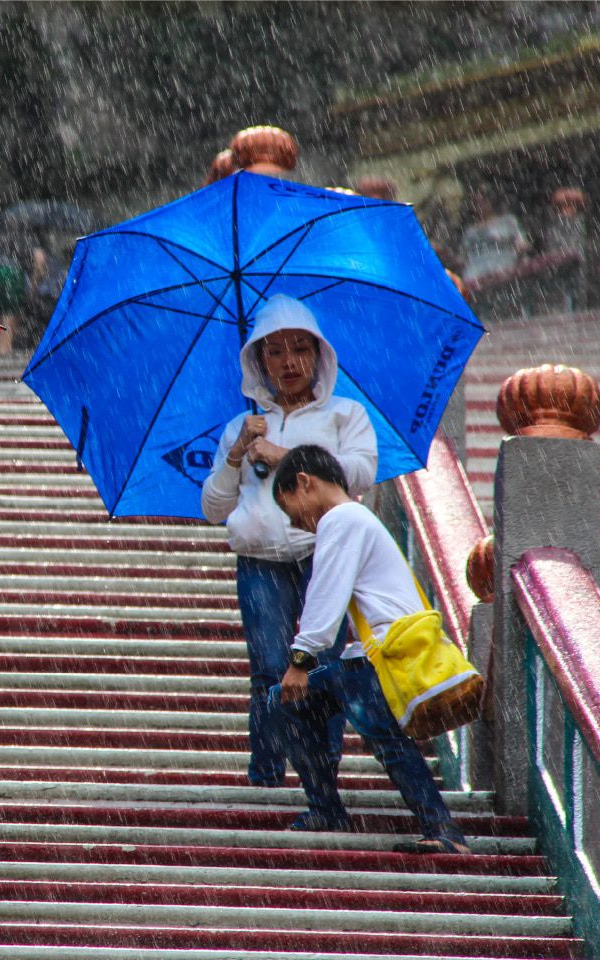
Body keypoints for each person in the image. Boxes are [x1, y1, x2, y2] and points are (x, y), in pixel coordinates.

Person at [201, 294, 376, 793]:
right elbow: (213, 508)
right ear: (258, 363)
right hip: (259, 564)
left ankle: (321, 783)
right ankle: (267, 776)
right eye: (274, 352)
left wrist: (289, 455)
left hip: (326, 557)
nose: (289, 362)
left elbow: (361, 471)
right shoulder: (242, 426)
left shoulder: (346, 415)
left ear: (320, 356)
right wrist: (236, 455)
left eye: (300, 348)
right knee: (269, 673)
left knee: (322, 670)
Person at [273, 444, 470, 854]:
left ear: (305, 483)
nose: (302, 525)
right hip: (369, 657)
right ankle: (335, 809)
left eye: (294, 511)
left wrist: (300, 659)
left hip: (377, 659)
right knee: (299, 707)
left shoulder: (341, 520)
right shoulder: (358, 519)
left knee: (387, 743)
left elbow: (324, 596)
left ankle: (443, 831)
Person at [459, 190, 529, 285]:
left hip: (502, 270)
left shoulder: (507, 222)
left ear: (490, 202)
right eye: (476, 203)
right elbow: (462, 259)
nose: (480, 205)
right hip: (475, 276)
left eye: (483, 201)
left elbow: (522, 244)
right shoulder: (469, 233)